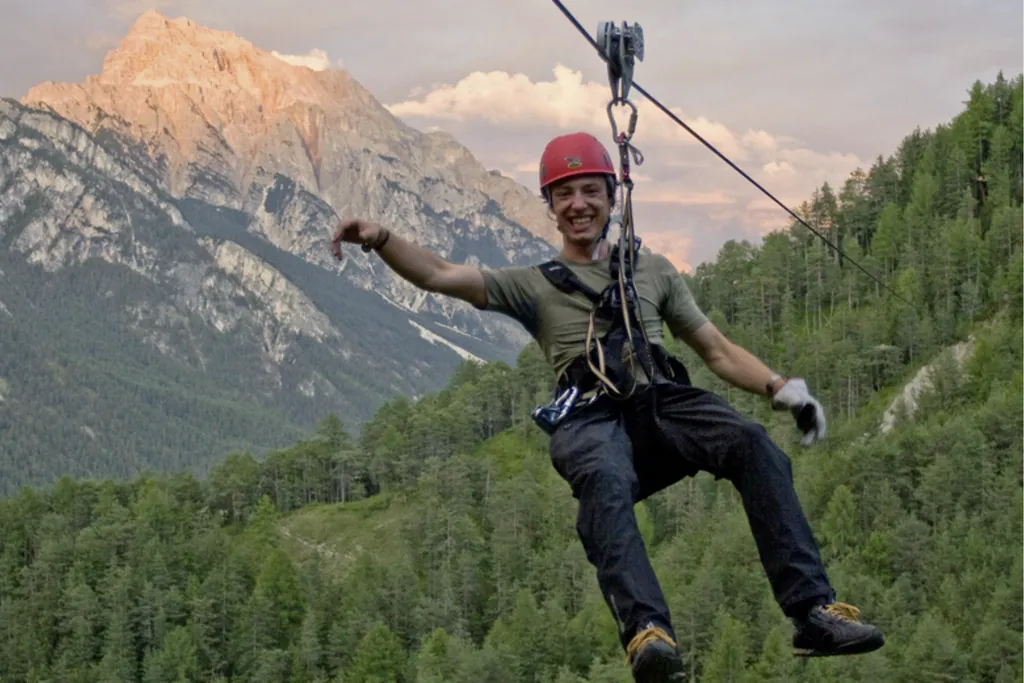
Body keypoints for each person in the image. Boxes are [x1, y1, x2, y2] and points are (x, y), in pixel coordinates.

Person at [330, 132, 885, 682]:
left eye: (590, 191)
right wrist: (381, 238)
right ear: (550, 206)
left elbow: (715, 350)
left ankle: (812, 612)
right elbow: (438, 274)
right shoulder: (532, 286)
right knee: (603, 478)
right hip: (590, 418)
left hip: (662, 405)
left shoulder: (653, 272)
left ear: (612, 198)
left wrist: (781, 389)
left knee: (752, 444)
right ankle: (648, 635)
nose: (578, 204)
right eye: (564, 194)